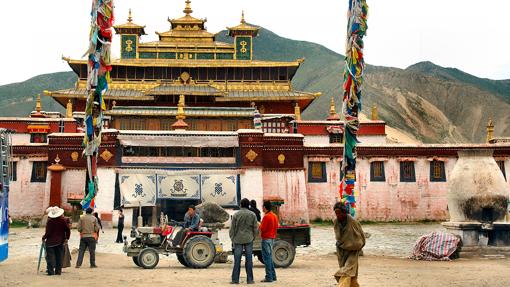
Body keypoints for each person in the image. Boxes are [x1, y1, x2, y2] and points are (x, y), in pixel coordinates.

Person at [333, 202, 366, 287]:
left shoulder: (353, 222)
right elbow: (338, 237)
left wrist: (359, 246)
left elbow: (361, 236)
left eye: (339, 213)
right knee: (351, 274)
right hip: (341, 251)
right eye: (336, 213)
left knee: (346, 272)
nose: (338, 215)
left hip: (353, 251)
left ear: (344, 212)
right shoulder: (336, 222)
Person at [230, 198, 259, 284]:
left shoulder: (236, 215)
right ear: (248, 205)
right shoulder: (253, 214)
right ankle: (250, 279)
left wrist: (232, 238)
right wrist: (253, 237)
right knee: (249, 260)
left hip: (238, 240)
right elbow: (255, 228)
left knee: (237, 260)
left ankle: (235, 280)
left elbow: (232, 229)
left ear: (241, 205)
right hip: (249, 239)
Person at [42, 206, 70, 276]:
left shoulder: (50, 222)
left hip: (50, 242)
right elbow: (68, 230)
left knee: (50, 257)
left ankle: (51, 272)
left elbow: (48, 233)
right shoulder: (63, 220)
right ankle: (58, 272)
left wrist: (43, 237)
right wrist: (67, 238)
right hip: (60, 241)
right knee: (59, 257)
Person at [259, 201, 278, 283]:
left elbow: (262, 228)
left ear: (265, 207)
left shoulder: (266, 217)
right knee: (269, 257)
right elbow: (277, 226)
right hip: (272, 238)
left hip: (266, 238)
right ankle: (273, 276)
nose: (262, 208)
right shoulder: (274, 216)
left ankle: (269, 277)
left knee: (267, 259)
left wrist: (258, 224)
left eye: (263, 207)